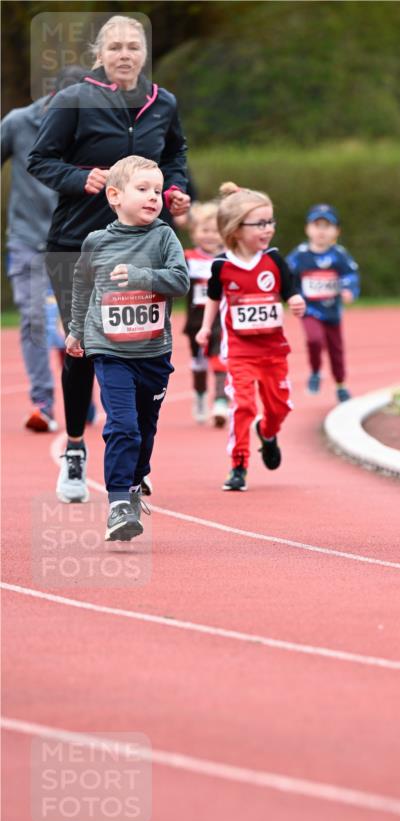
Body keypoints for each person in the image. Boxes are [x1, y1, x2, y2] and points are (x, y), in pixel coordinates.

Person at [28, 14, 190, 502]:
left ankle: (133, 458)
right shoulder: (75, 97)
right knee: (82, 349)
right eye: (115, 47)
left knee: (139, 345)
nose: (125, 55)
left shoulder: (164, 103)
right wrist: (83, 179)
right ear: (100, 54)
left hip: (142, 245)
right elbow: (41, 159)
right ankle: (76, 449)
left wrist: (178, 190)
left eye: (133, 47)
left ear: (144, 54)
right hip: (77, 243)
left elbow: (176, 156)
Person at [66, 156, 189, 540]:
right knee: (123, 426)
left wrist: (141, 276)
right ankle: (119, 503)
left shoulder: (164, 236)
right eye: (143, 190)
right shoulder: (97, 242)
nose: (154, 197)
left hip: (153, 353)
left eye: (157, 190)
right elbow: (82, 287)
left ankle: (135, 484)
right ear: (115, 196)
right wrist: (75, 332)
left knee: (146, 429)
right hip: (110, 350)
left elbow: (180, 281)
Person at [196, 183, 305, 492]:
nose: (268, 229)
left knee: (279, 408)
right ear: (236, 228)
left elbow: (290, 291)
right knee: (242, 405)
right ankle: (239, 465)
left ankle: (267, 434)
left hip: (273, 351)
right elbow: (214, 299)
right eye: (260, 223)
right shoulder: (221, 266)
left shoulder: (274, 260)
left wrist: (296, 301)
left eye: (271, 222)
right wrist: (206, 328)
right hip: (240, 350)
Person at [1, 66, 85, 432]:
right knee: (35, 319)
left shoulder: (92, 127)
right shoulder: (19, 122)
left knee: (80, 323)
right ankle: (43, 403)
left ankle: (83, 394)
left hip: (77, 241)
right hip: (29, 239)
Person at [286, 204, 360, 401]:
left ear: (336, 231)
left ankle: (341, 384)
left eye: (327, 226)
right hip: (309, 309)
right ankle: (315, 372)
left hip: (332, 310)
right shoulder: (300, 255)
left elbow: (351, 275)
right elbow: (286, 276)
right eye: (317, 225)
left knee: (336, 349)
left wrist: (348, 290)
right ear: (307, 229)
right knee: (314, 338)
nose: (321, 231)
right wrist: (288, 295)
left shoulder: (340, 255)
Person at [183, 201, 227, 425]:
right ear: (194, 232)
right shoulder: (187, 257)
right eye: (204, 230)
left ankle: (220, 401)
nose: (210, 236)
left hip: (222, 317)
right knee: (199, 362)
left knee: (220, 357)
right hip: (195, 320)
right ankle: (200, 396)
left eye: (215, 231)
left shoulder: (229, 258)